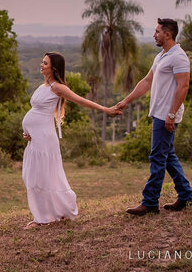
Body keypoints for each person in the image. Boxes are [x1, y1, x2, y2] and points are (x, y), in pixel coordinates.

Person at [21, 51, 120, 229]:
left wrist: (106, 110)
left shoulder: (58, 87)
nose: (41, 65)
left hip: (45, 139)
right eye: (42, 62)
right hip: (35, 140)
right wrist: (28, 132)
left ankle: (43, 218)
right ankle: (51, 212)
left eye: (45, 63)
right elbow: (35, 113)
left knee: (43, 176)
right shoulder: (42, 86)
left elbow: (81, 100)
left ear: (54, 68)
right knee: (33, 176)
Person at [114, 17, 192, 215]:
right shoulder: (161, 56)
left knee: (158, 157)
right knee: (167, 157)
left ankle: (150, 202)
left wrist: (171, 114)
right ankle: (186, 196)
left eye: (157, 32)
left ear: (168, 34)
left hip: (166, 115)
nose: (154, 35)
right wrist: (126, 101)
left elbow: (183, 86)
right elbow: (146, 81)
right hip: (159, 113)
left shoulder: (179, 56)